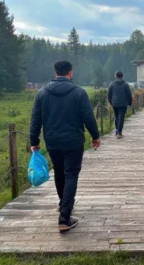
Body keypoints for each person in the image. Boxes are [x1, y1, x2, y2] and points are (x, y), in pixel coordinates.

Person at [30, 60, 100, 232]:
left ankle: (64, 204)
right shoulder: (79, 93)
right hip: (73, 140)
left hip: (52, 140)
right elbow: (88, 117)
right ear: (70, 73)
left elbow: (35, 119)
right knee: (71, 174)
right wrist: (95, 136)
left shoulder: (42, 93)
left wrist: (34, 141)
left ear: (55, 73)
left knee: (59, 172)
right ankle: (64, 217)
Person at [107, 71, 132, 139]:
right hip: (123, 103)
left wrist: (110, 102)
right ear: (122, 76)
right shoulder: (125, 84)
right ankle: (119, 132)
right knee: (121, 117)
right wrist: (130, 102)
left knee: (116, 117)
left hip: (115, 103)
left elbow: (109, 94)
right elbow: (129, 95)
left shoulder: (111, 84)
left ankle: (117, 131)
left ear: (115, 76)